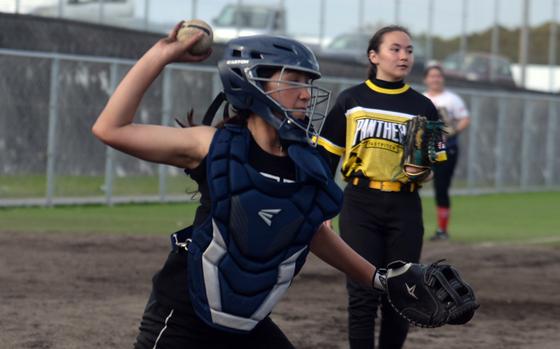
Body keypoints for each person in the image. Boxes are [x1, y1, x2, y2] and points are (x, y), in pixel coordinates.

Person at [92, 22, 385, 349]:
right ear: (252, 81)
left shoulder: (306, 161)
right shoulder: (211, 145)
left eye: (308, 82)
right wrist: (162, 55)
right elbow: (110, 128)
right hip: (184, 313)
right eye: (293, 80)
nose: (306, 93)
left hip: (246, 320)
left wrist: (378, 279)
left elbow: (313, 231)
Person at [317, 25, 444, 349]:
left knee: (402, 294)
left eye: (409, 50)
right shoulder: (352, 100)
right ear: (374, 56)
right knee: (361, 294)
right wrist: (322, 207)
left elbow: (432, 169)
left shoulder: (424, 107)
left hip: (404, 206)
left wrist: (421, 172)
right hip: (359, 203)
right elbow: (326, 159)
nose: (404, 56)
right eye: (395, 49)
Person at [423, 65, 470, 241]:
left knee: (441, 187)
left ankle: (442, 230)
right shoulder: (422, 98)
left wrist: (453, 130)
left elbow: (465, 119)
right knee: (412, 184)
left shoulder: (452, 99)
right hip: (424, 148)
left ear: (443, 79)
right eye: (432, 76)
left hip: (446, 148)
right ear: (426, 79)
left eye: (438, 76)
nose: (435, 79)